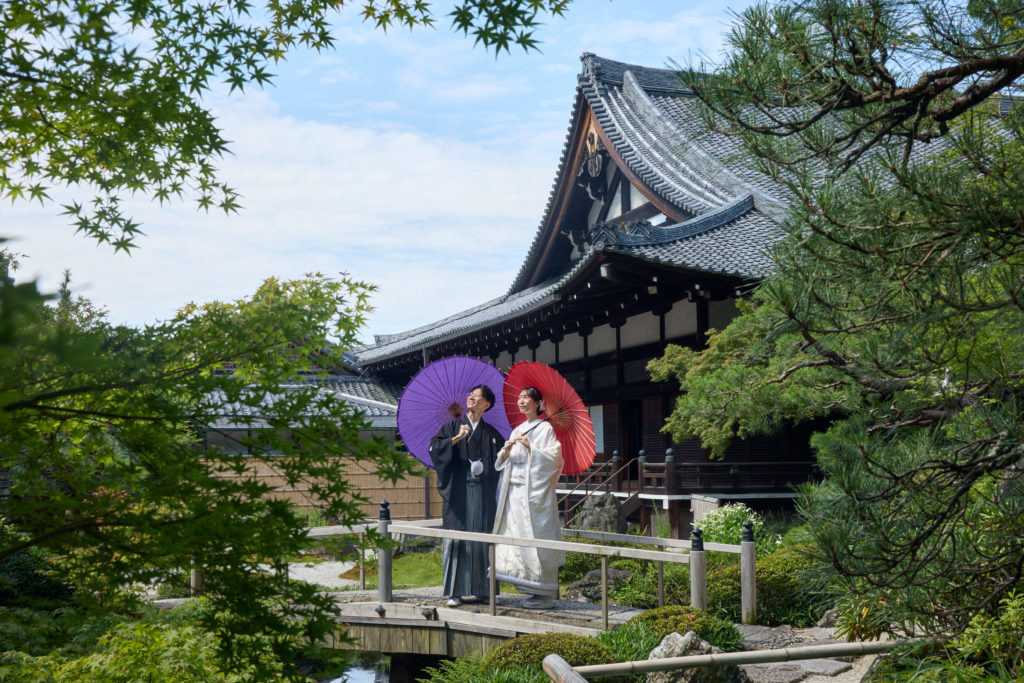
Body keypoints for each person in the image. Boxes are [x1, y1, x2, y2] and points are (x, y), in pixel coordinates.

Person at [428, 384, 503, 607]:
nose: (470, 398)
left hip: (483, 493)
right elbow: (434, 449)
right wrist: (457, 438)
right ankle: (455, 591)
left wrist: (507, 452)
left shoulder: (491, 434)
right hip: (459, 492)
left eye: (476, 396)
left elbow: (500, 462)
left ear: (486, 404)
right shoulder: (453, 426)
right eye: (469, 395)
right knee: (458, 539)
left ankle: (483, 590)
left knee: (482, 538)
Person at [492, 386, 565, 609]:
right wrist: (505, 451)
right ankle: (529, 587)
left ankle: (543, 592)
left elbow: (554, 458)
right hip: (515, 492)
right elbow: (506, 460)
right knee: (517, 537)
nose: (522, 401)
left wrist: (531, 447)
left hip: (534, 494)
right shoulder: (517, 429)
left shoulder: (545, 429)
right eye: (520, 397)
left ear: (538, 403)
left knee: (537, 535)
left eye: (527, 398)